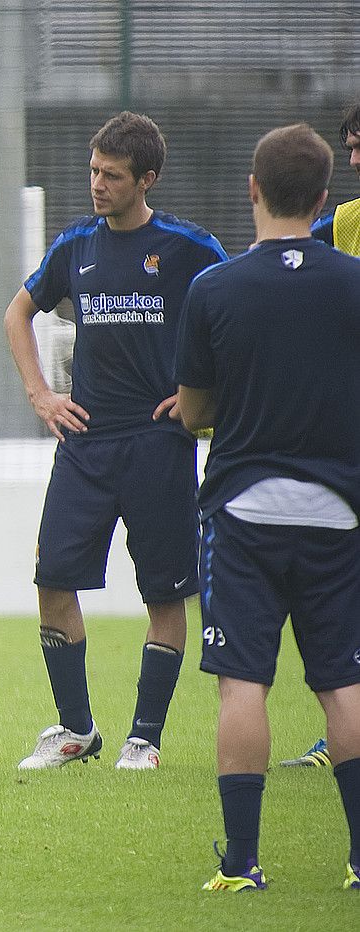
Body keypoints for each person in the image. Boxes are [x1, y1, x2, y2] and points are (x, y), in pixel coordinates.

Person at [2, 112, 226, 771]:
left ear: (146, 179)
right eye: (93, 171)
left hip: (159, 445)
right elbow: (18, 312)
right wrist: (40, 395)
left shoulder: (188, 248)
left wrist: (201, 402)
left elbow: (237, 313)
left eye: (111, 175)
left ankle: (143, 739)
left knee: (162, 593)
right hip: (84, 444)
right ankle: (75, 730)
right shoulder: (75, 246)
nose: (96, 184)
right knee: (51, 578)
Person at [175, 122, 360, 893]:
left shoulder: (213, 287)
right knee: (343, 686)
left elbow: (190, 412)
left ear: (250, 189)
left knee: (241, 683)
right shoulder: (354, 281)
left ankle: (242, 863)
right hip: (340, 515)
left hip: (242, 513)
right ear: (323, 199)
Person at [284, 102, 360, 772]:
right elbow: (283, 263)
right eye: (349, 147)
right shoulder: (340, 225)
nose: (356, 158)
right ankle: (338, 732)